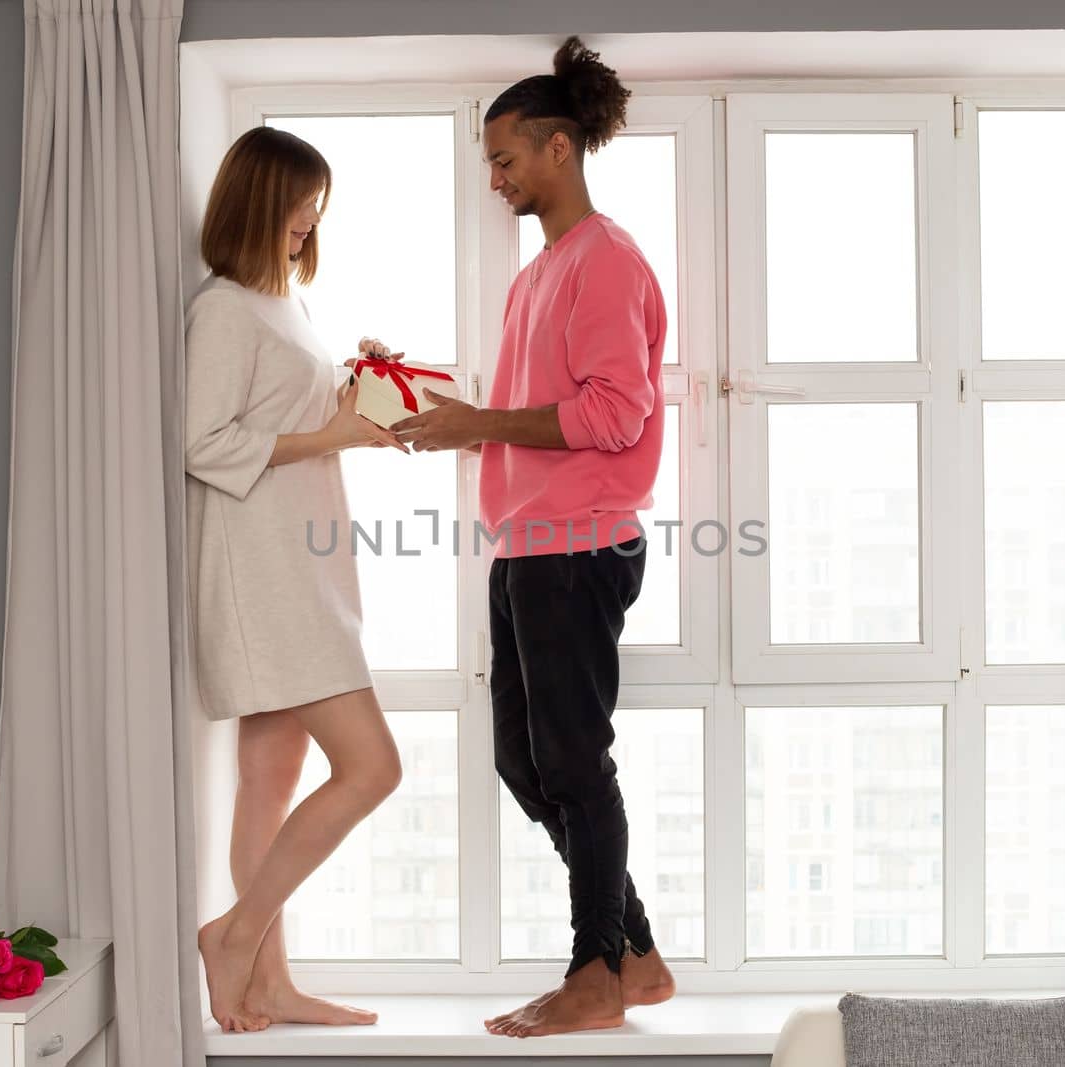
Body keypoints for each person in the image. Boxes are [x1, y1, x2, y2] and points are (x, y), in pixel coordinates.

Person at [391, 36, 677, 1037]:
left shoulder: (605, 260)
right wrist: (441, 404)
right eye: (489, 162)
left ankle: (595, 970)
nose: (496, 176)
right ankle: (632, 952)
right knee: (528, 762)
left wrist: (480, 424)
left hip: (577, 544)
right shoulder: (540, 274)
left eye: (506, 156)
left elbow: (613, 414)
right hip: (526, 542)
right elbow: (527, 406)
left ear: (559, 148)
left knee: (573, 760)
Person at [186, 126, 408, 1033]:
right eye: (299, 202)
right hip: (264, 572)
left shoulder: (285, 305)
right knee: (373, 767)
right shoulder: (225, 308)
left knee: (271, 778)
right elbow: (202, 443)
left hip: (303, 558)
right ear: (259, 200)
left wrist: (358, 391)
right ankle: (235, 936)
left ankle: (269, 980)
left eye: (317, 205)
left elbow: (289, 420)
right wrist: (334, 433)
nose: (312, 219)